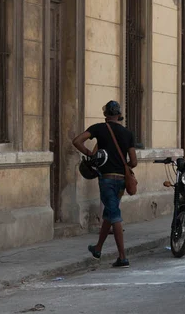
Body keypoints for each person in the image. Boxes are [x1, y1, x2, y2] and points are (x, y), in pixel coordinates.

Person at [73, 100, 137, 268]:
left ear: (105, 114)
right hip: (122, 179)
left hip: (107, 178)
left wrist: (90, 155)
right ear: (119, 115)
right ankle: (98, 248)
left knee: (114, 214)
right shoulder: (127, 133)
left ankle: (122, 257)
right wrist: (124, 165)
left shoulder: (99, 128)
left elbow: (77, 141)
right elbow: (134, 161)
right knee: (110, 211)